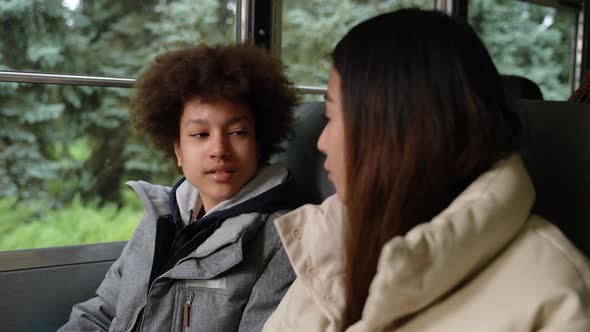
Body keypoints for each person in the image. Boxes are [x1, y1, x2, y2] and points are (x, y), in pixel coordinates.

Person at [263, 9, 590, 332]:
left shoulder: (557, 297)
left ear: (398, 131)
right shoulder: (328, 240)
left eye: (332, 117)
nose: (321, 142)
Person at [59, 43, 299, 332]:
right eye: (200, 134)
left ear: (259, 144)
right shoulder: (157, 217)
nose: (219, 150)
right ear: (178, 151)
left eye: (237, 132)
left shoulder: (285, 239)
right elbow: (101, 312)